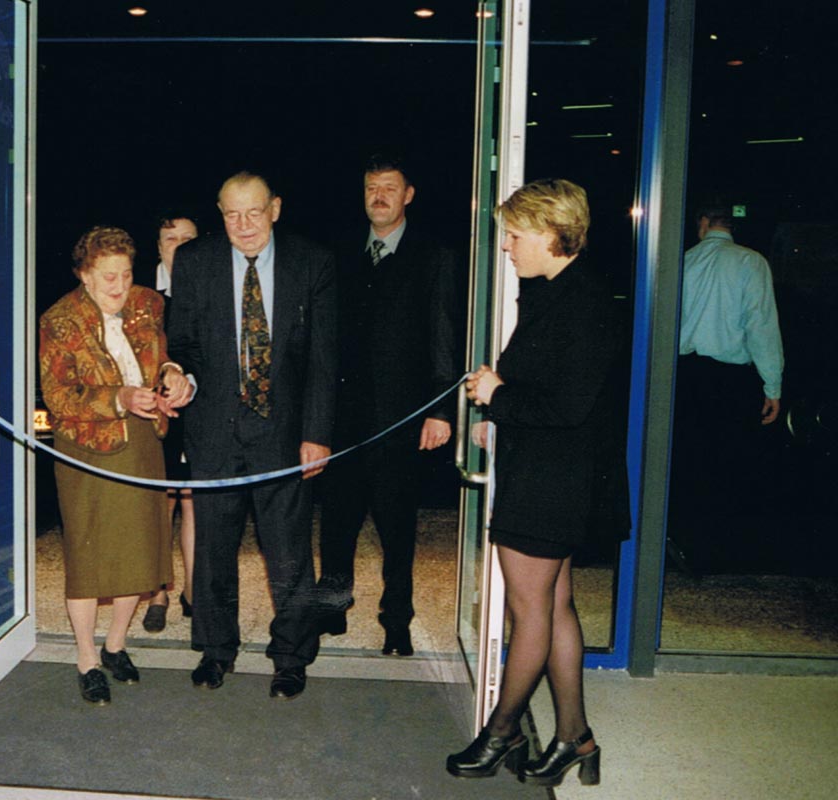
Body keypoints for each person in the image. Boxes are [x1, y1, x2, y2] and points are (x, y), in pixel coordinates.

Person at [446, 179, 629, 786]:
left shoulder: (586, 302)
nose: (507, 246)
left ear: (553, 235)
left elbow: (569, 407)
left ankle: (501, 732)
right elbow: (545, 387)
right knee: (553, 605)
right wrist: (499, 406)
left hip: (552, 482)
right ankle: (576, 738)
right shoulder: (556, 290)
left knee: (529, 614)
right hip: (551, 472)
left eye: (515, 235)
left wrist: (498, 395)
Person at [167, 171, 337, 700]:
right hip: (214, 430)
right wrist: (178, 374)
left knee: (288, 553)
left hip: (284, 434)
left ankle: (291, 657)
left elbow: (324, 359)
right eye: (231, 214)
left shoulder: (312, 262)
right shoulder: (194, 262)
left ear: (276, 209)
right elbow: (183, 345)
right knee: (213, 549)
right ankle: (216, 650)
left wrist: (317, 433)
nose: (243, 225)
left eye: (254, 213)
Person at [39, 225, 192, 705]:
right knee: (88, 558)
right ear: (84, 275)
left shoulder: (148, 303)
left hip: (142, 441)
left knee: (139, 550)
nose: (120, 286)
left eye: (126, 274)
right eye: (108, 277)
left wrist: (171, 374)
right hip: (86, 448)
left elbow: (162, 356)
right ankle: (86, 658)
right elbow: (59, 397)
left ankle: (116, 644)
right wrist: (119, 398)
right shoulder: (59, 321)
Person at [316, 153, 458, 656]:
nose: (379, 197)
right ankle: (332, 609)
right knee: (336, 522)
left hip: (402, 421)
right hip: (343, 420)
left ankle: (397, 621)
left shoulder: (435, 257)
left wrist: (441, 410)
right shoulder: (338, 253)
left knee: (397, 529)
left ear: (408, 195)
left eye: (389, 188)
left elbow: (444, 337)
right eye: (371, 188)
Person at [670, 203, 784, 565]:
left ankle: (685, 541)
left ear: (703, 223)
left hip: (685, 375)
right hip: (730, 381)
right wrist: (772, 386)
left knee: (688, 460)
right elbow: (761, 327)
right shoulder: (750, 262)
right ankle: (717, 549)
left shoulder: (682, 261)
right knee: (728, 463)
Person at [142, 212, 200, 633]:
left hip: (199, 405)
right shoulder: (140, 292)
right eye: (169, 239)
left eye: (187, 239)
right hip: (153, 408)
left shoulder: (210, 283)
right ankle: (158, 592)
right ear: (158, 246)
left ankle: (195, 593)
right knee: (159, 502)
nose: (178, 247)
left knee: (195, 499)